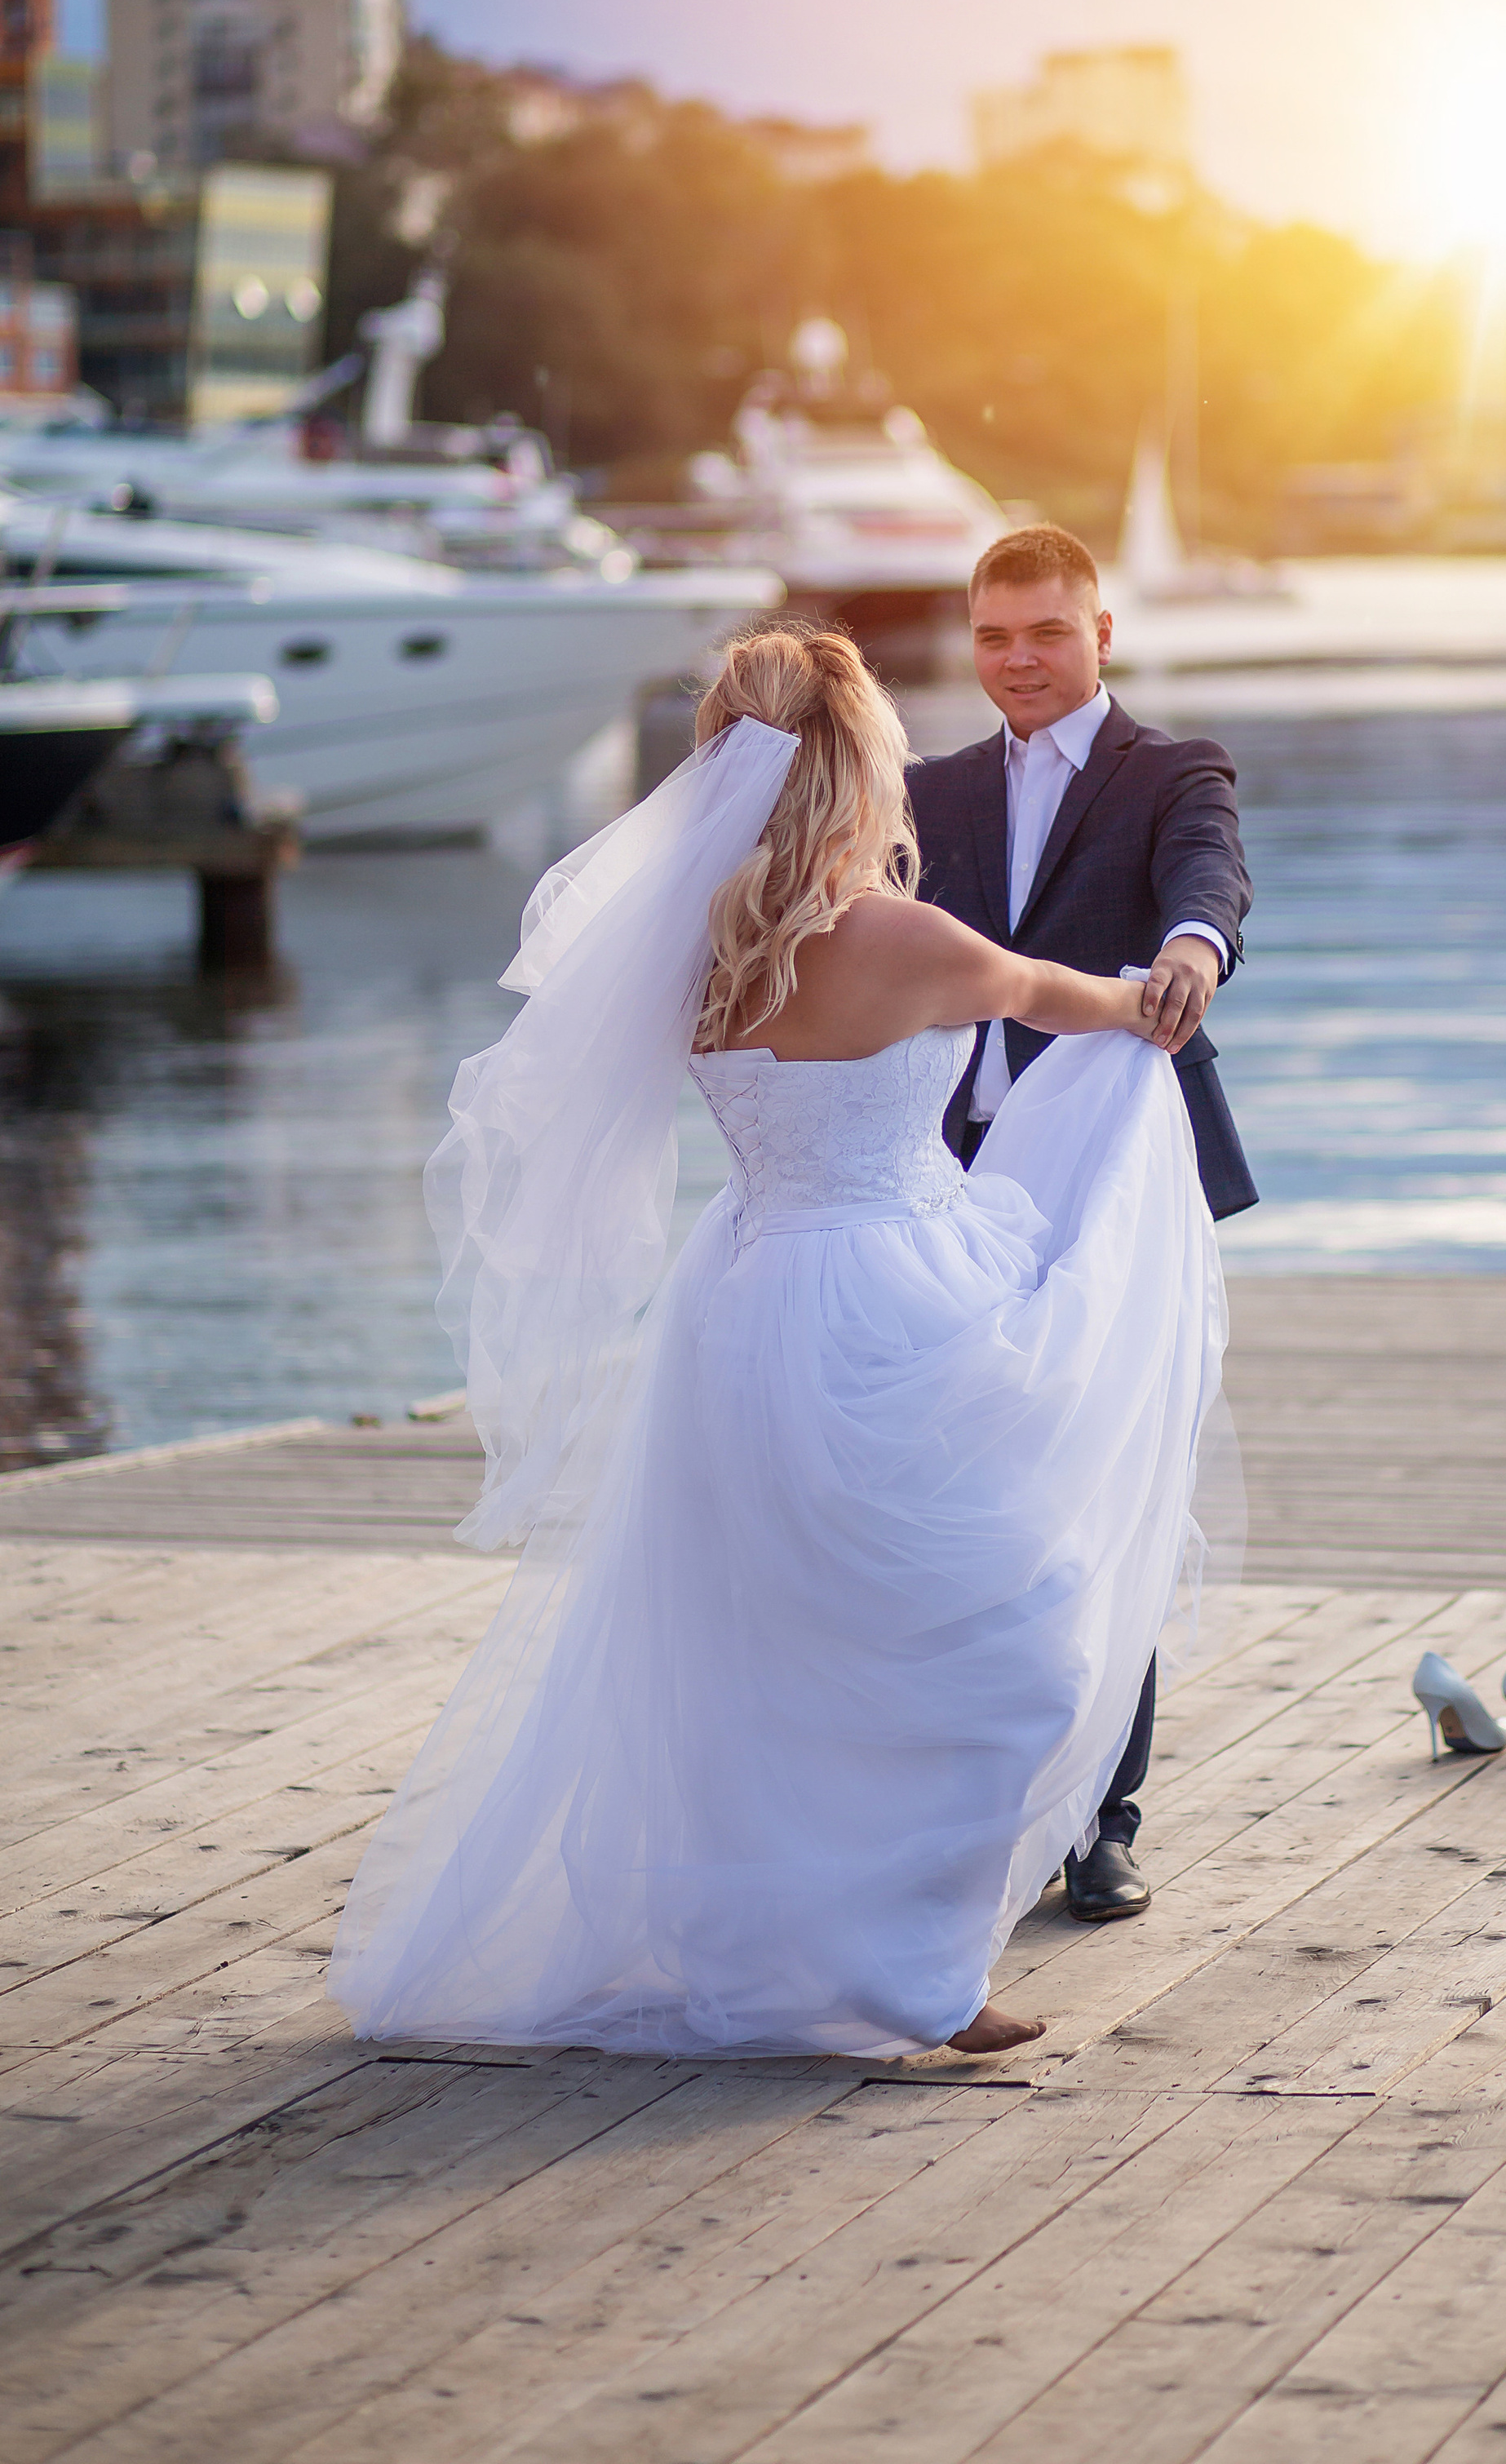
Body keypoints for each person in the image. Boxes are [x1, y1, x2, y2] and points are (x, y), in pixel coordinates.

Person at [329, 623, 1234, 2062]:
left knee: (774, 1649)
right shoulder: (907, 939)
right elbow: (1086, 1007)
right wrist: (1161, 986)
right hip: (890, 1295)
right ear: (859, 763)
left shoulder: (682, 944)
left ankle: (809, 1953)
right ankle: (913, 1972)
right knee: (1012, 1647)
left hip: (743, 1302)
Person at [908, 525, 1255, 1926]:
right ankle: (978, 1801)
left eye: (1047, 632)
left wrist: (1191, 950)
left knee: (1113, 1483)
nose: (1019, 661)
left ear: (1101, 633)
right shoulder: (926, 790)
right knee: (974, 1493)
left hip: (1116, 1183)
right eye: (994, 636)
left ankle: (1102, 1824)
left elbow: (1212, 881)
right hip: (948, 1181)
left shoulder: (1175, 772)